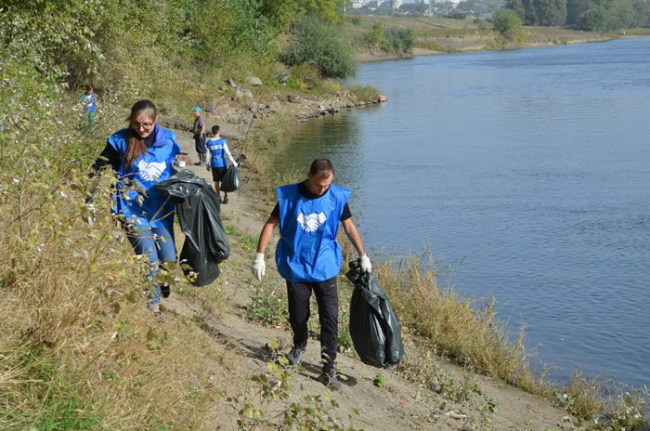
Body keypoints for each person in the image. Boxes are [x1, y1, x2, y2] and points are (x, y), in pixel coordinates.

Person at [252, 158, 372, 390]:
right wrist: (259, 256)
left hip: (325, 266)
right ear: (309, 175)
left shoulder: (336, 196)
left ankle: (328, 367)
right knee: (298, 315)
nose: (322, 189)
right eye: (318, 184)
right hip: (296, 264)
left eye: (327, 185)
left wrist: (363, 254)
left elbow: (348, 226)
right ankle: (299, 344)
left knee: (330, 317)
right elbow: (270, 224)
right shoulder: (289, 197)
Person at [90, 100, 181, 314]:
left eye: (146, 124)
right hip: (131, 210)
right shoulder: (121, 141)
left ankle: (162, 281)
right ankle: (153, 307)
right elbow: (96, 168)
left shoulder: (168, 141)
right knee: (149, 259)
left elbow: (171, 170)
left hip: (160, 211)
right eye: (136, 124)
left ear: (155, 120)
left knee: (169, 261)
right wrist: (89, 199)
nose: (141, 129)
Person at [206, 125, 238, 204]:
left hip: (214, 164)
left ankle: (218, 197)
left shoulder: (209, 143)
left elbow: (207, 155)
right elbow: (227, 153)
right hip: (222, 164)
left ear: (212, 132)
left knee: (216, 181)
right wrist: (234, 162)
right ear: (219, 132)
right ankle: (226, 196)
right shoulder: (222, 141)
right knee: (224, 181)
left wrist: (207, 164)